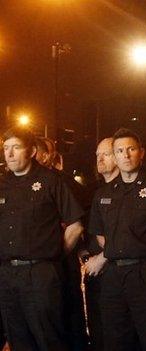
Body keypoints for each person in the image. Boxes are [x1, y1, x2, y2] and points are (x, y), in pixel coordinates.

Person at [0, 128, 84, 350]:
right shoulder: (3, 183)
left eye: (16, 148)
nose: (9, 154)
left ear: (31, 150)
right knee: (18, 338)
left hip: (40, 273)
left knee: (49, 338)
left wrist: (55, 253)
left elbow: (75, 226)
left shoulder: (50, 181)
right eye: (6, 148)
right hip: (8, 273)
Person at [88, 129, 146, 350]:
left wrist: (120, 249)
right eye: (119, 151)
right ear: (115, 156)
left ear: (141, 152)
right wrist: (112, 253)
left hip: (145, 274)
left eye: (131, 149)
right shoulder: (104, 193)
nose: (126, 155)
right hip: (113, 276)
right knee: (115, 338)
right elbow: (99, 234)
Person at [82, 137, 120, 351]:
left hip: (115, 270)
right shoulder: (96, 191)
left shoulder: (127, 190)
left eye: (106, 154)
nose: (100, 159)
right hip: (95, 273)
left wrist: (104, 257)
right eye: (97, 154)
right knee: (98, 329)